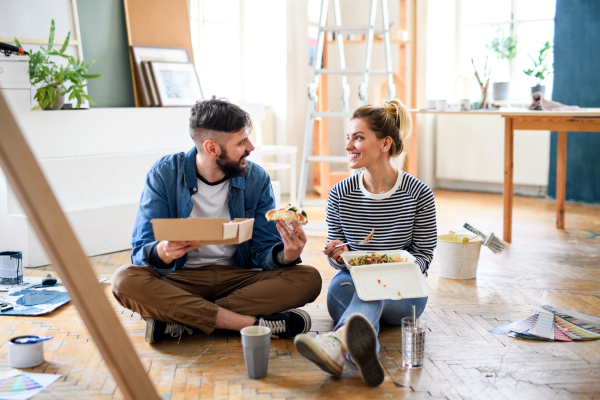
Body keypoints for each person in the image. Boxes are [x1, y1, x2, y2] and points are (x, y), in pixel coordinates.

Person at [112, 97, 322, 344]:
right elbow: (141, 252)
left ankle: (180, 318)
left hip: (237, 279)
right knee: (123, 280)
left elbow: (263, 251)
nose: (251, 147)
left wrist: (285, 255)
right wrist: (164, 252)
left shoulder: (256, 178)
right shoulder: (164, 173)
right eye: (242, 142)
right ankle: (249, 324)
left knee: (308, 279)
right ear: (212, 148)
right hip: (182, 279)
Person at [294, 100, 437, 386]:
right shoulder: (339, 194)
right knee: (349, 285)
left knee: (372, 289)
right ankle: (361, 350)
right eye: (348, 138)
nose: (348, 146)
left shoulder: (418, 194)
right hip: (350, 285)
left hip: (404, 293)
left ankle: (338, 343)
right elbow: (339, 260)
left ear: (385, 144)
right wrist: (338, 255)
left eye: (358, 137)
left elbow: (423, 255)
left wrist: (399, 265)